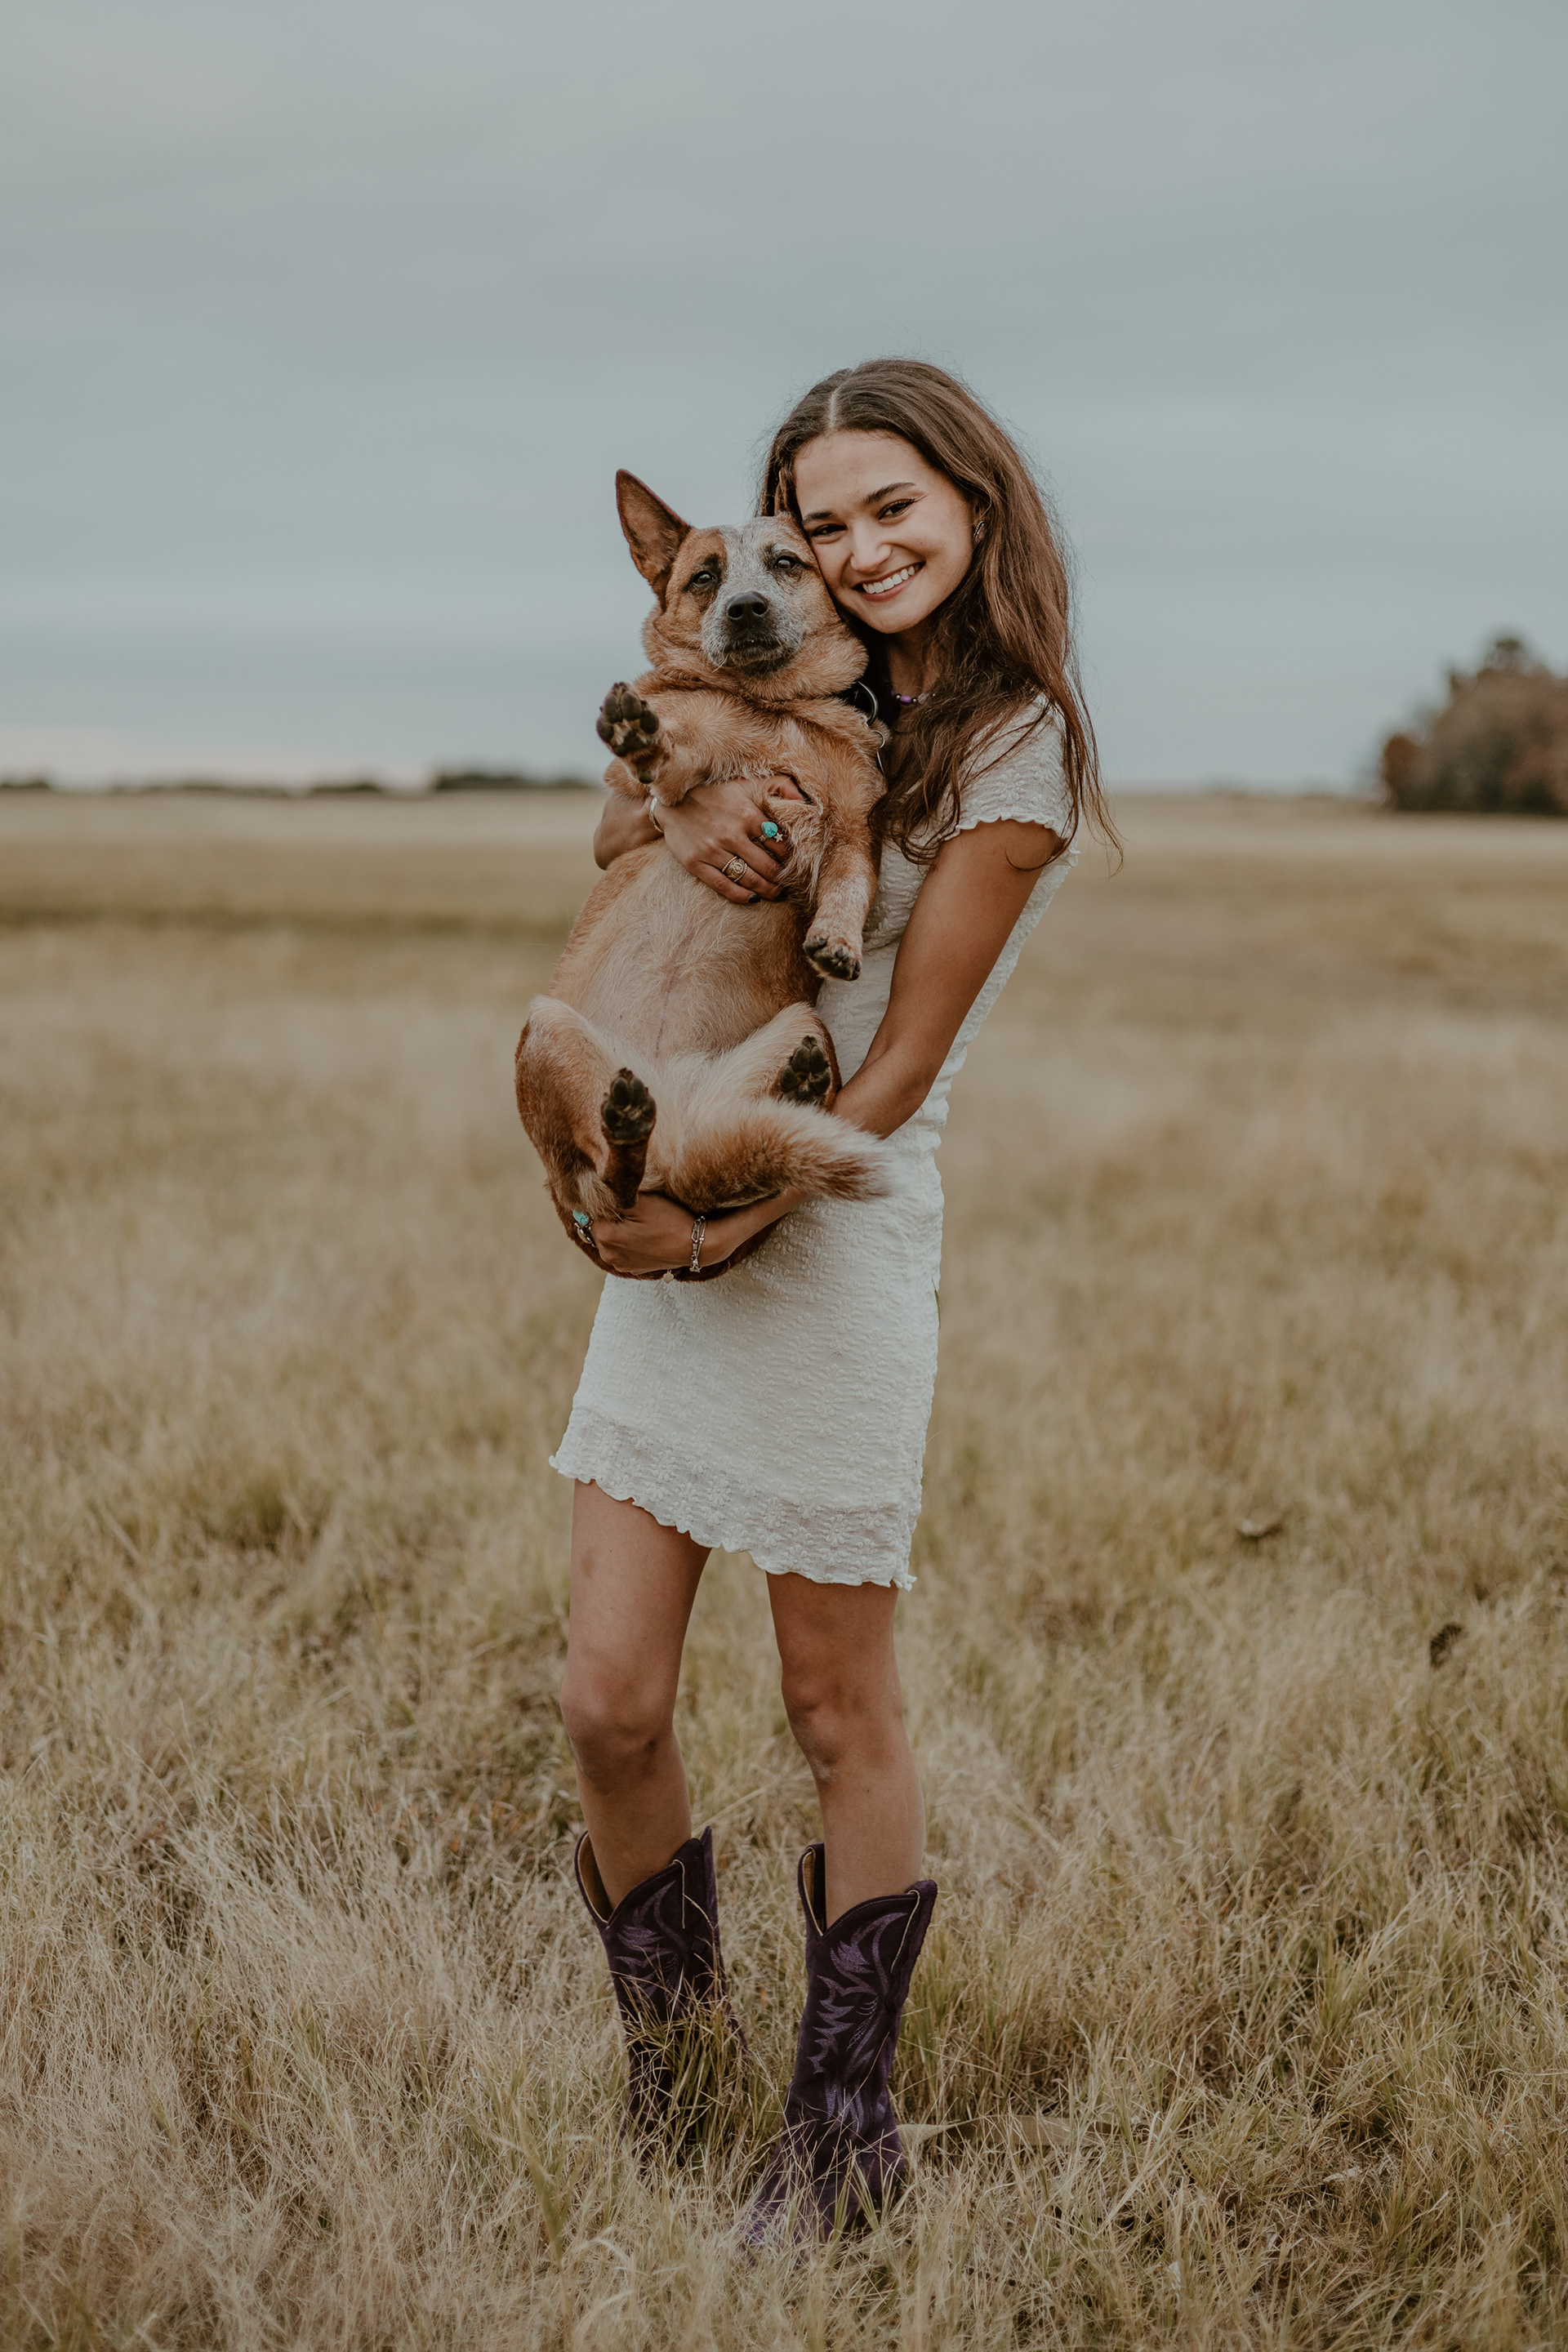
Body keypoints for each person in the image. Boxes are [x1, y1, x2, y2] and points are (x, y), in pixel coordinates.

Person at [550, 358, 1111, 2239]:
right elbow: (628, 844)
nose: (860, 552)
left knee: (835, 1708)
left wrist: (720, 1229)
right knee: (607, 1699)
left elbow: (897, 1062)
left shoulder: (1015, 749)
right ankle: (675, 2069)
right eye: (823, 523)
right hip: (686, 1187)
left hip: (833, 1212)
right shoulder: (786, 675)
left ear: (976, 504)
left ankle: (841, 2138)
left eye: (893, 511)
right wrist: (672, 818)